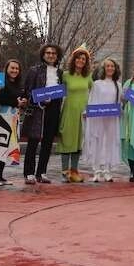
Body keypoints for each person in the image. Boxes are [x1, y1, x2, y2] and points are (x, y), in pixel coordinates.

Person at [21, 43, 64, 185]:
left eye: (53, 53)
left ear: (57, 56)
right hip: (38, 109)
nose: (51, 55)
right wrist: (39, 99)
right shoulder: (34, 71)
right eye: (48, 53)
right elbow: (28, 91)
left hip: (54, 109)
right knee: (33, 141)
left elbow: (60, 91)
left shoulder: (60, 73)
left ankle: (41, 172)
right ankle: (29, 173)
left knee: (48, 142)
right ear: (43, 55)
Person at [0, 59, 25, 186]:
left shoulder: (18, 84)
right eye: (12, 68)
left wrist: (23, 102)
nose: (14, 70)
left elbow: (20, 98)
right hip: (2, 118)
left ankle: (0, 175)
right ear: (7, 69)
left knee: (7, 146)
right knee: (0, 145)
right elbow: (0, 98)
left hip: (13, 119)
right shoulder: (0, 81)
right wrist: (16, 102)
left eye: (17, 68)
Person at [83, 58, 121, 183]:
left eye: (112, 66)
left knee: (109, 143)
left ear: (115, 68)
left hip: (111, 119)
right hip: (98, 118)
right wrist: (88, 112)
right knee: (97, 142)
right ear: (104, 68)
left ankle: (107, 170)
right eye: (107, 66)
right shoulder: (97, 84)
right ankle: (97, 170)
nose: (110, 68)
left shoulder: (118, 85)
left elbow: (119, 103)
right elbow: (92, 100)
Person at [58, 46, 93, 183]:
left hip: (82, 114)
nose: (81, 60)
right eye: (78, 58)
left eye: (83, 59)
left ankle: (74, 172)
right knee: (67, 140)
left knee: (78, 141)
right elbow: (57, 91)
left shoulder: (88, 77)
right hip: (68, 112)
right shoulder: (65, 75)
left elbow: (96, 93)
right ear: (74, 59)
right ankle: (65, 172)